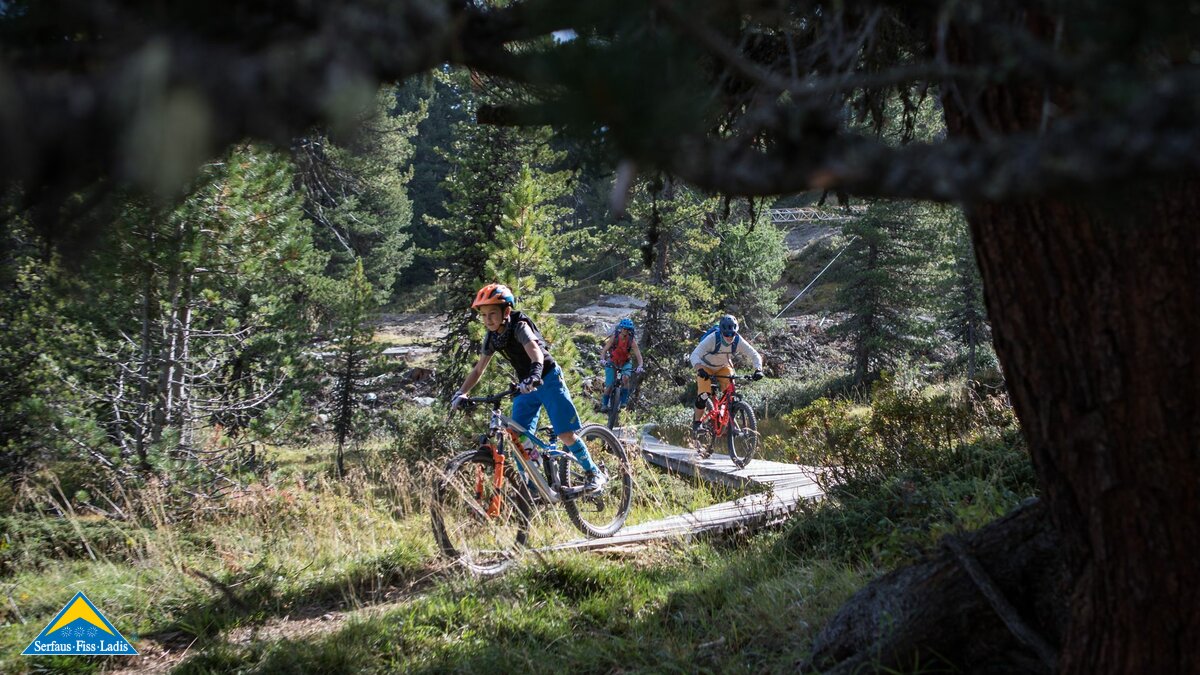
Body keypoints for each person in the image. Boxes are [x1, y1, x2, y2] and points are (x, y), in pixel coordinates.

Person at [451, 283, 606, 493]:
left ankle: (593, 472)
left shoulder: (519, 325)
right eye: (484, 315)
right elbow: (478, 370)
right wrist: (462, 393)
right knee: (517, 439)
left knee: (565, 434)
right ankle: (535, 488)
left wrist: (535, 374)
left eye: (493, 314)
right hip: (526, 385)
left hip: (547, 377)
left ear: (506, 311)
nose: (488, 320)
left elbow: (536, 352)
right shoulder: (492, 337)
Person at [689, 314, 764, 435]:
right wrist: (699, 368)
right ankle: (697, 423)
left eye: (732, 334)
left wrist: (758, 369)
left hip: (723, 366)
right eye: (726, 334)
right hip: (705, 366)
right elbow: (694, 355)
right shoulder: (713, 338)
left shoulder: (738, 340)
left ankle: (728, 419)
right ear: (722, 332)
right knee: (703, 395)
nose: (729, 337)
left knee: (731, 392)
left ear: (736, 332)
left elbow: (754, 354)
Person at [600, 317, 644, 412]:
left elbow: (638, 355)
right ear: (621, 328)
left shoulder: (631, 341)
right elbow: (604, 350)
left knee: (625, 378)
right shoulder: (614, 338)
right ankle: (604, 404)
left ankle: (623, 401)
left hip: (625, 362)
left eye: (628, 329)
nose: (626, 331)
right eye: (624, 328)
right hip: (612, 361)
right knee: (610, 385)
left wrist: (640, 366)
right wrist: (602, 359)